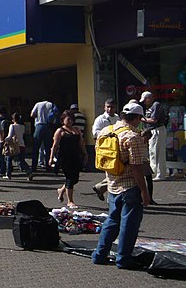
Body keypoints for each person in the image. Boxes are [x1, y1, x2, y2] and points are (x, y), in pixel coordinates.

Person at [92, 102, 151, 269]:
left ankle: (99, 254)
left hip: (112, 184)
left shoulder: (106, 131)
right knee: (129, 225)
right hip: (130, 186)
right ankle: (123, 259)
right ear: (138, 118)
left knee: (112, 220)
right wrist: (144, 191)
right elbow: (137, 167)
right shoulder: (132, 137)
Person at [50, 110, 86, 208]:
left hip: (76, 156)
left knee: (75, 179)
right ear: (63, 120)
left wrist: (85, 154)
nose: (70, 121)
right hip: (64, 157)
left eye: (71, 119)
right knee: (70, 178)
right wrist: (51, 157)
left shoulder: (77, 130)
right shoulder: (60, 131)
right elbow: (55, 145)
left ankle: (61, 190)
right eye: (68, 119)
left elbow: (81, 143)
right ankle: (70, 201)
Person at [140, 91, 167, 181]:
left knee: (156, 152)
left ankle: (158, 173)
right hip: (154, 130)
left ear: (150, 98)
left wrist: (143, 119)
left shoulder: (156, 105)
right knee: (154, 151)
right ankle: (159, 173)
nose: (144, 102)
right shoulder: (150, 106)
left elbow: (154, 120)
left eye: (145, 100)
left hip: (157, 130)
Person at [4, 112, 32, 180]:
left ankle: (8, 174)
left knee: (9, 159)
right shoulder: (22, 126)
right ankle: (29, 171)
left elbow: (10, 136)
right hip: (22, 144)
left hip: (14, 145)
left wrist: (4, 140)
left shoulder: (12, 126)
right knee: (21, 160)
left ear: (13, 119)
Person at [30, 99, 56, 172]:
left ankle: (34, 167)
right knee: (48, 148)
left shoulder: (38, 104)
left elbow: (32, 114)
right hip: (48, 127)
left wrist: (38, 115)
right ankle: (48, 166)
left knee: (36, 147)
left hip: (39, 126)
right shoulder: (51, 104)